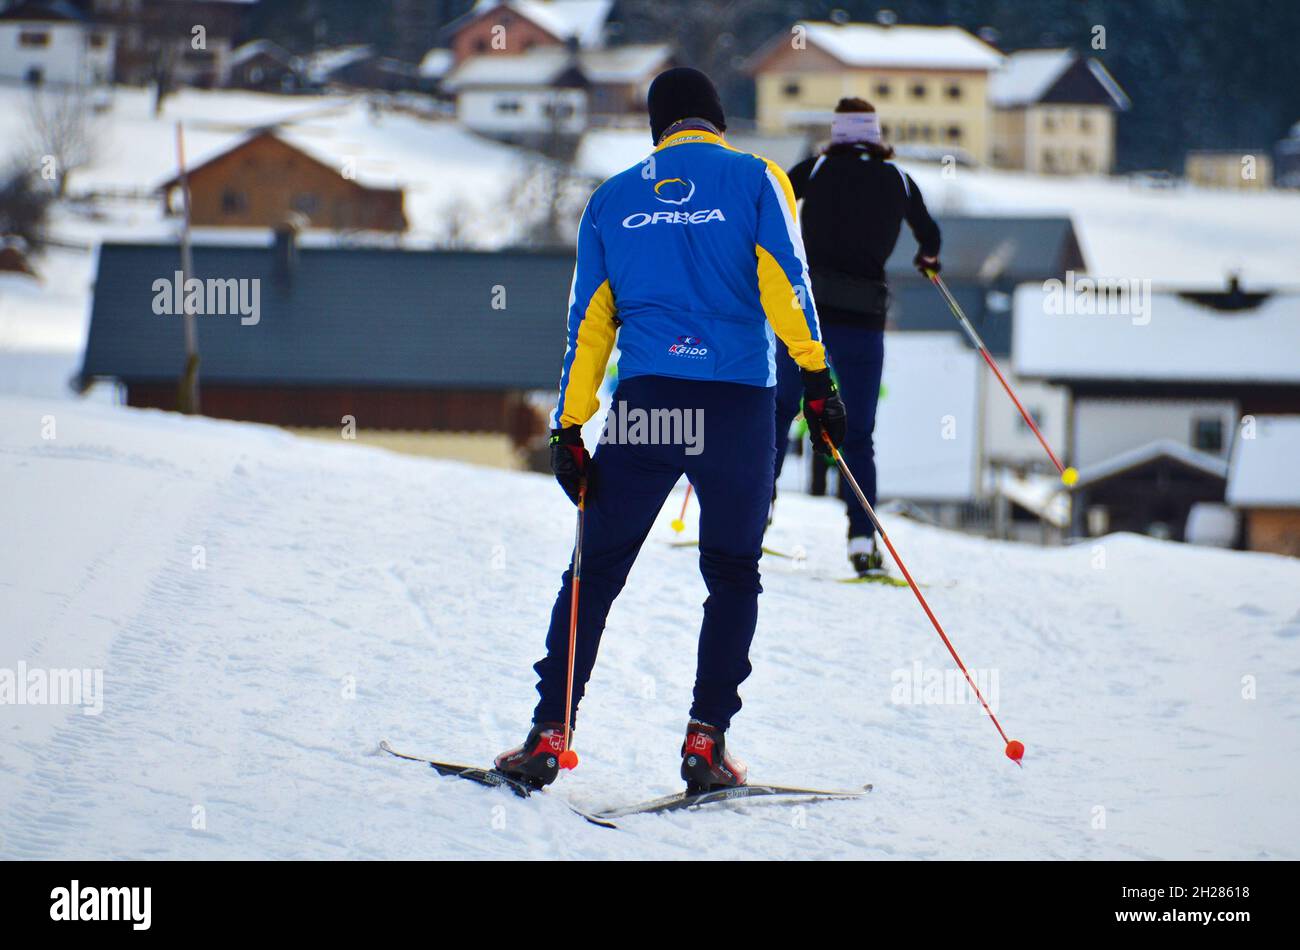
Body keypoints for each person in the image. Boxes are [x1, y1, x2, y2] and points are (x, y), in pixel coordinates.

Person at [494, 67, 846, 792]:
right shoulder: (757, 179)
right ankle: (705, 743)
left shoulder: (613, 199)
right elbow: (788, 282)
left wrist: (568, 429)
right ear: (716, 120)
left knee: (592, 575)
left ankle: (547, 734)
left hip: (651, 405)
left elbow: (587, 326)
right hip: (739, 408)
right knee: (731, 574)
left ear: (656, 128)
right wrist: (819, 378)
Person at [772, 97, 942, 577]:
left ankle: (757, 513)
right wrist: (927, 260)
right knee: (859, 434)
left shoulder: (817, 167)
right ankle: (861, 538)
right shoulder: (899, 181)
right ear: (875, 133)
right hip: (864, 321)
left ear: (838, 132)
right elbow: (930, 236)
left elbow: (772, 200)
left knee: (782, 412)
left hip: (807, 319)